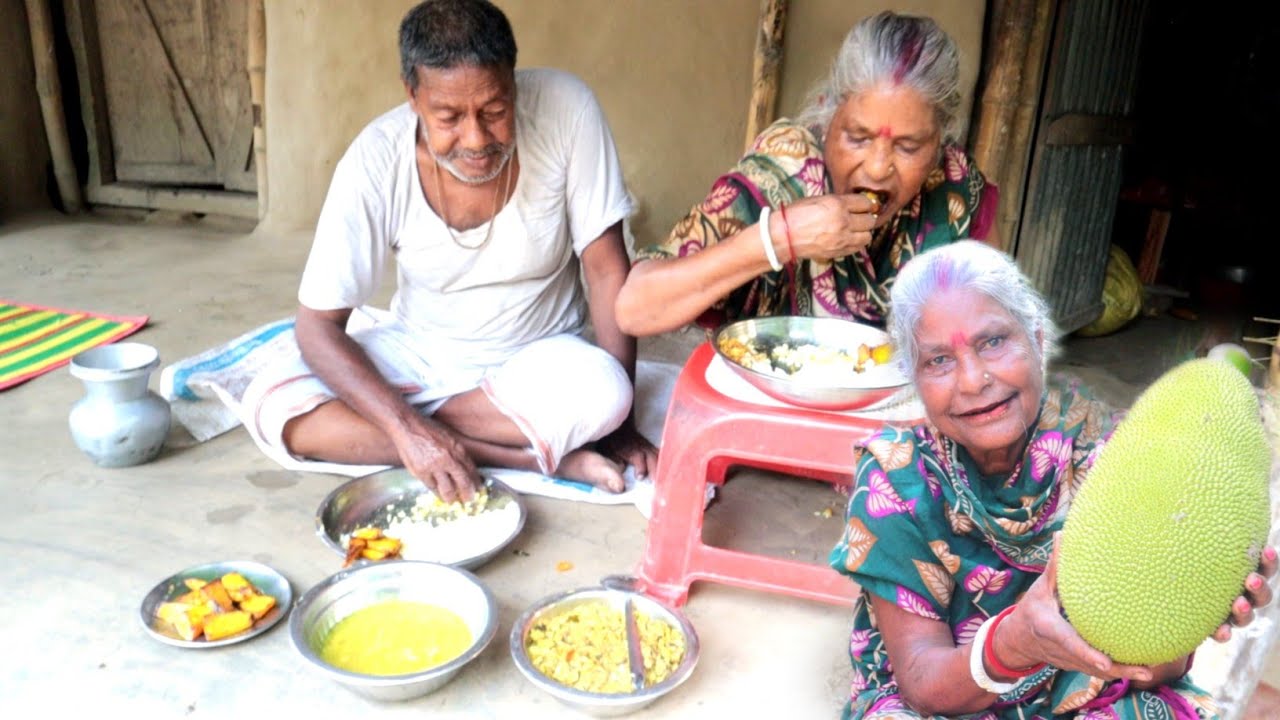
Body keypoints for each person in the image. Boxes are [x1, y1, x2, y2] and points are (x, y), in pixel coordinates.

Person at [829, 240, 1277, 719]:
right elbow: (921, 683)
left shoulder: (1107, 453)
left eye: (994, 342)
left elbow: (1154, 663)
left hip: (1082, 694)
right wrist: (1013, 644)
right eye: (938, 361)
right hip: (947, 696)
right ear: (914, 381)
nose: (973, 379)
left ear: (1037, 342)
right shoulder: (896, 477)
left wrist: (1193, 608)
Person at [241, 0, 656, 501]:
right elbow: (317, 325)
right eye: (449, 117)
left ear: (513, 82)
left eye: (496, 111)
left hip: (538, 357)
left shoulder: (568, 110)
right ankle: (519, 456)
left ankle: (433, 433)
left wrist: (622, 425)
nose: (477, 139)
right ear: (412, 96)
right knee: (271, 400)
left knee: (604, 392)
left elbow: (607, 270)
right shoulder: (377, 157)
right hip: (421, 354)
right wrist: (408, 431)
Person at [615, 11, 999, 337]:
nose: (879, 167)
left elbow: (997, 321)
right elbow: (636, 308)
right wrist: (781, 237)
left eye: (908, 147)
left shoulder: (954, 190)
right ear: (826, 115)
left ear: (941, 141)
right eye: (858, 137)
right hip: (767, 404)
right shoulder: (784, 170)